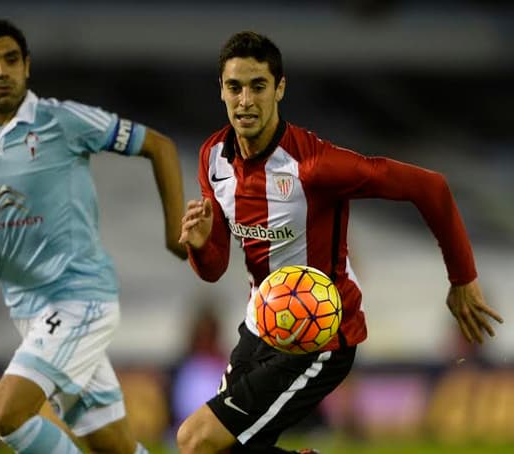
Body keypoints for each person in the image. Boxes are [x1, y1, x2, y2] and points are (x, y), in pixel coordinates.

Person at [176, 31, 503, 454]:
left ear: (280, 88)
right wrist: (201, 246)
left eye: (258, 86)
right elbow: (214, 267)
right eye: (234, 87)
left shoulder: (314, 165)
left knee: (196, 440)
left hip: (320, 335)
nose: (245, 100)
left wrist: (463, 279)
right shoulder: (212, 158)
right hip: (261, 325)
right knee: (215, 448)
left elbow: (431, 188)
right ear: (220, 89)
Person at [0, 18, 187, 454]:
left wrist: (175, 232)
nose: (1, 71)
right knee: (114, 447)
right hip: (28, 311)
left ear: (27, 66)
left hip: (82, 299)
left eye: (11, 60)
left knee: (5, 413)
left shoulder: (61, 120)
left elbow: (159, 145)